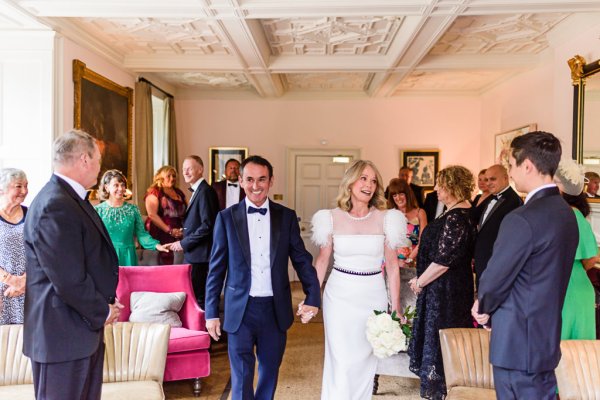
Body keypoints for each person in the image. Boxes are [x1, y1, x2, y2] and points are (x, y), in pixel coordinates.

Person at [473, 131, 579, 400]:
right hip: (543, 339)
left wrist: (484, 307)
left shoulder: (521, 218)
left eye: (511, 165)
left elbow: (495, 276)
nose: (510, 172)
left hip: (516, 341)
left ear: (528, 165)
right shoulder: (566, 214)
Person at [204, 155, 320, 400]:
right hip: (239, 310)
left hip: (274, 309)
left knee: (269, 371)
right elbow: (216, 269)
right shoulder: (226, 218)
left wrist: (313, 296)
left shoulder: (286, 217)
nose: (255, 186)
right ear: (241, 181)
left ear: (271, 181)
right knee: (241, 376)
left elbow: (301, 259)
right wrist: (211, 312)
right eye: (249, 180)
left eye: (261, 179)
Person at [23, 130, 122, 399]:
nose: (101, 168)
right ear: (84, 159)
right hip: (62, 337)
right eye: (99, 160)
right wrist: (103, 310)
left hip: (78, 333)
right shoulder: (55, 204)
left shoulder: (70, 199)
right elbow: (68, 279)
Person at [312, 160, 406, 399]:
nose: (369, 185)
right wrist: (312, 298)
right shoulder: (330, 218)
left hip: (372, 296)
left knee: (364, 362)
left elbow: (393, 267)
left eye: (374, 180)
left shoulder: (388, 219)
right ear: (350, 182)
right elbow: (322, 260)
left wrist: (395, 306)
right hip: (339, 297)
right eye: (364, 178)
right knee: (341, 359)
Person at [407, 165, 477, 400]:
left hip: (446, 291)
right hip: (443, 288)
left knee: (441, 339)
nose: (436, 188)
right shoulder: (454, 211)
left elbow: (444, 260)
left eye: (441, 184)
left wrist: (419, 282)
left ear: (454, 186)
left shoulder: (458, 216)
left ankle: (442, 390)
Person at [554, 159, 598, 340]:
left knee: (572, 352)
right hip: (569, 286)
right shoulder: (567, 212)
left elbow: (591, 259)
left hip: (570, 288)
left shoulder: (571, 214)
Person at [167, 156, 219, 308]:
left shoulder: (205, 191)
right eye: (184, 169)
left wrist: (183, 243)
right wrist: (184, 231)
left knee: (198, 298)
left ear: (200, 169)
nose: (185, 172)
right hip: (195, 254)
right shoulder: (199, 190)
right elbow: (199, 222)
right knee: (195, 296)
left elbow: (207, 225)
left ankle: (202, 330)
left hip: (200, 256)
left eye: (189, 168)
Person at [95, 170, 169, 266]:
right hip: (106, 257)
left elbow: (142, 235)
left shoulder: (133, 209)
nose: (121, 188)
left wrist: (157, 245)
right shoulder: (97, 211)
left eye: (122, 185)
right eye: (116, 185)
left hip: (128, 257)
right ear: (106, 187)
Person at [473, 164, 522, 289]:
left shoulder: (514, 201)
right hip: (482, 260)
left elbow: (512, 238)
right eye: (487, 179)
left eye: (492, 179)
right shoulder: (490, 198)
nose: (488, 183)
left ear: (505, 178)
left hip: (497, 262)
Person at [0, 168, 28, 324]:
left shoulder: (33, 215)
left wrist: (25, 280)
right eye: (18, 186)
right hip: (3, 292)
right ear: (2, 190)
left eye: (26, 185)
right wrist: (11, 280)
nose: (24, 191)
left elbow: (44, 252)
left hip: (28, 288)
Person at [144, 165, 186, 264]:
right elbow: (152, 215)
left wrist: (183, 230)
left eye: (174, 176)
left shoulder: (179, 192)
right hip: (161, 231)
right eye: (169, 176)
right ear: (160, 178)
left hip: (179, 233)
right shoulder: (155, 192)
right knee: (164, 261)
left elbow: (187, 210)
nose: (172, 178)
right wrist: (170, 231)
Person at [386, 177, 427, 266]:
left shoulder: (420, 213)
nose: (398, 198)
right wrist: (396, 261)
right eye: (394, 195)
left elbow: (423, 241)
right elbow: (386, 242)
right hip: (393, 262)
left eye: (401, 194)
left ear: (407, 194)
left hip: (415, 262)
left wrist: (409, 260)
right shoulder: (389, 214)